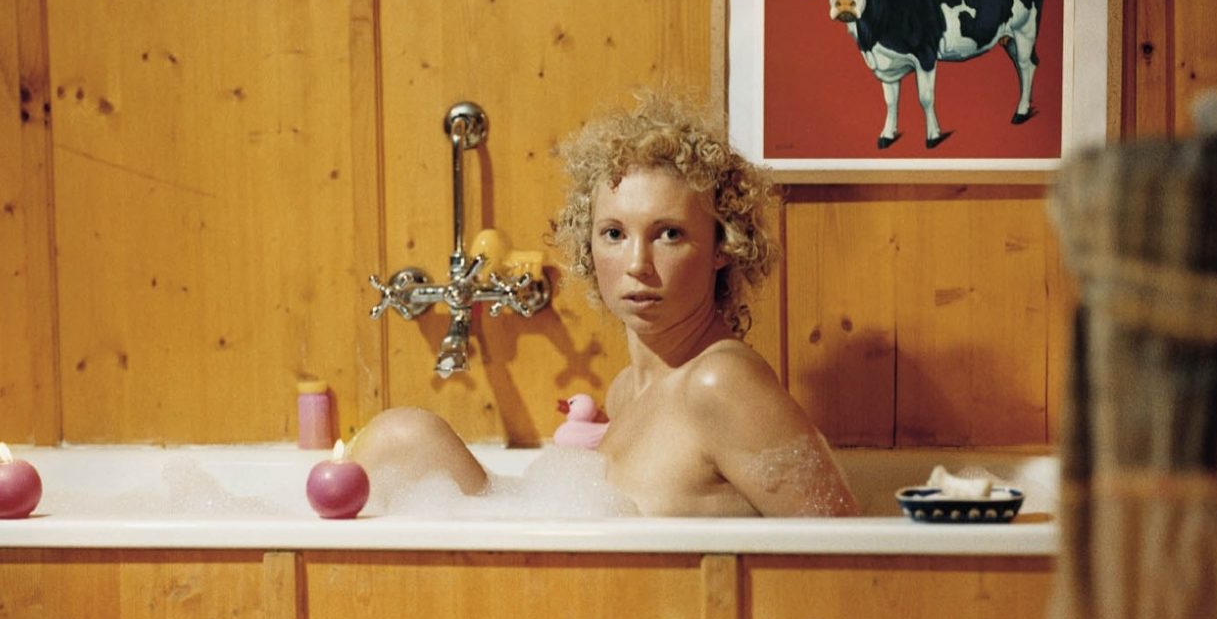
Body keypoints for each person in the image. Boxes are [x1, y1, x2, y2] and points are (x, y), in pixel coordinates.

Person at [349, 92, 858, 517]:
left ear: (723, 246)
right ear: (587, 244)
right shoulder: (627, 390)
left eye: (669, 234)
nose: (638, 263)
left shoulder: (720, 384)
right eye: (614, 233)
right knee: (406, 438)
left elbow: (846, 558)